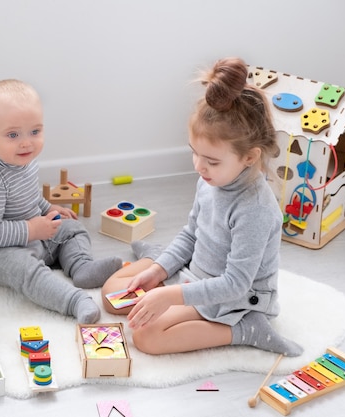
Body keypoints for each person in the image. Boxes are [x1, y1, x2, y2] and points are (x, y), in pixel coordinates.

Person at [101, 57, 303, 357]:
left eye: (211, 161)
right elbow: (192, 234)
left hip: (235, 299)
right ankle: (158, 258)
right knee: (110, 296)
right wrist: (159, 270)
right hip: (197, 275)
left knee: (146, 337)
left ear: (249, 157)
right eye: (195, 154)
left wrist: (170, 295)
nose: (199, 167)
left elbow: (235, 284)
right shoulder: (210, 180)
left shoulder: (255, 210)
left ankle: (245, 330)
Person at [0, 79, 122, 324]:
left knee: (72, 229)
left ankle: (81, 267)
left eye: (35, 132)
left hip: (30, 233)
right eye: (13, 134)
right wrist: (31, 229)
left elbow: (28, 195)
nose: (27, 142)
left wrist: (47, 208)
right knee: (23, 268)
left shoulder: (23, 159)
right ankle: (73, 300)